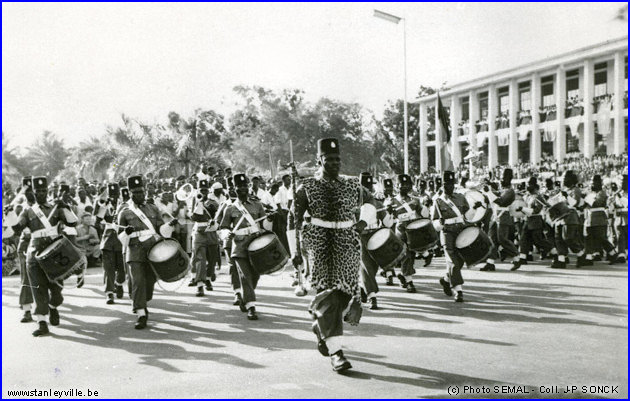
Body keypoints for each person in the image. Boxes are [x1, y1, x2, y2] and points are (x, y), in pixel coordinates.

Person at [293, 137, 369, 373]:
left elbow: (371, 199)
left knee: (344, 294)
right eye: (329, 159)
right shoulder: (306, 186)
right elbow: (292, 218)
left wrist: (365, 220)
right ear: (319, 160)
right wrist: (295, 249)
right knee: (328, 295)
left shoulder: (352, 184)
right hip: (319, 242)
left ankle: (321, 325)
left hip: (347, 242)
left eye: (338, 159)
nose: (335, 163)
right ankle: (336, 352)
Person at [9, 176, 78, 336]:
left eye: (43, 190)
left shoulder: (56, 206)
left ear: (47, 191)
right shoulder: (28, 211)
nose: (41, 193)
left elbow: (72, 223)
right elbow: (18, 228)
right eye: (38, 191)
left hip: (55, 253)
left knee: (57, 292)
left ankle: (53, 307)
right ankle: (42, 322)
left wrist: (66, 207)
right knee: (38, 289)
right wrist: (11, 216)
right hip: (34, 254)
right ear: (33, 192)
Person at [117, 175, 176, 329]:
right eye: (136, 192)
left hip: (152, 249)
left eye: (141, 192)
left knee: (149, 282)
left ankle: (143, 301)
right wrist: (127, 233)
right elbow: (120, 237)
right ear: (130, 193)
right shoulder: (124, 212)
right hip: (134, 251)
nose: (139, 195)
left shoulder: (153, 208)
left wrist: (170, 225)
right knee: (137, 281)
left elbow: (161, 230)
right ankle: (141, 313)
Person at [220, 173, 273, 320]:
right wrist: (227, 234)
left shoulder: (257, 204)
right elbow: (223, 227)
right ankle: (251, 306)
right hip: (239, 247)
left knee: (255, 276)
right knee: (245, 276)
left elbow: (264, 225)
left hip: (256, 246)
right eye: (239, 186)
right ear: (234, 188)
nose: (242, 189)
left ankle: (245, 297)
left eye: (245, 186)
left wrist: (269, 220)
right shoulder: (230, 208)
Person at [432, 170, 470, 302]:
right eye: (446, 184)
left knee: (460, 260)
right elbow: (434, 220)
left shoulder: (461, 197)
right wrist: (439, 224)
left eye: (451, 184)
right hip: (447, 232)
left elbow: (468, 214)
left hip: (461, 231)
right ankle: (458, 290)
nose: (449, 186)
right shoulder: (438, 201)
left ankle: (446, 279)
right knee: (452, 260)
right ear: (442, 185)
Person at [190, 179, 220, 296]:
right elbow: (194, 217)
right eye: (201, 190)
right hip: (199, 232)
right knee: (200, 259)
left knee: (212, 259)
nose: (203, 192)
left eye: (205, 190)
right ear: (198, 190)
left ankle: (207, 278)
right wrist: (199, 203)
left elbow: (218, 216)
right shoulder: (195, 200)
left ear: (209, 190)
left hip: (211, 232)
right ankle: (199, 285)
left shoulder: (213, 201)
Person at [99, 183, 126, 304]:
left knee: (122, 270)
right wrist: (104, 206)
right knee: (108, 269)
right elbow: (98, 220)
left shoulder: (124, 205)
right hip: (108, 241)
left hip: (121, 241)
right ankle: (109, 293)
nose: (114, 197)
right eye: (111, 195)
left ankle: (118, 283)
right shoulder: (103, 205)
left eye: (116, 194)